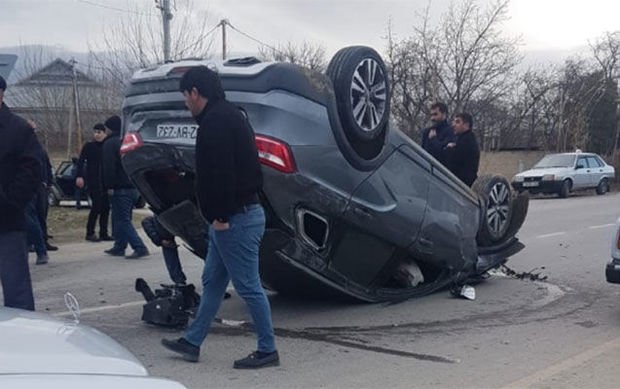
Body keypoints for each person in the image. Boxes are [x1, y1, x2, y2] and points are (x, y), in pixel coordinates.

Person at [161, 66, 279, 369]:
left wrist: (221, 216)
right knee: (213, 282)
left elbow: (223, 174)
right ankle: (192, 341)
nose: (186, 103)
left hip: (234, 219)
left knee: (249, 286)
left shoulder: (216, 122)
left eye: (185, 96)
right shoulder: (229, 116)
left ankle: (268, 350)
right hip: (235, 216)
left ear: (195, 93)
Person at [0, 75, 42, 310]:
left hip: (6, 225)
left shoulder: (18, 129)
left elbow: (32, 171)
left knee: (17, 292)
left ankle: (23, 342)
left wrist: (9, 202)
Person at [101, 115, 149, 259]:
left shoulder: (110, 144)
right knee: (120, 217)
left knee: (122, 219)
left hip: (119, 187)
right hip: (132, 185)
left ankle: (139, 247)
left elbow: (108, 166)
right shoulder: (128, 140)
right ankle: (119, 246)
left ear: (110, 128)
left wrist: (108, 185)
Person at [76, 123, 112, 242]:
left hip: (105, 181)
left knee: (106, 208)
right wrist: (79, 176)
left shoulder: (107, 145)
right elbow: (80, 161)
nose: (97, 135)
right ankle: (90, 232)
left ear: (104, 133)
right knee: (96, 207)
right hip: (93, 180)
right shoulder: (89, 146)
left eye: (99, 132)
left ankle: (103, 232)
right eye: (95, 132)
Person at [443, 112, 480, 187]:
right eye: (454, 122)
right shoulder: (463, 138)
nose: (453, 125)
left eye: (457, 122)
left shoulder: (467, 141)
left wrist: (448, 149)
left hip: (462, 185)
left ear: (466, 125)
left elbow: (453, 160)